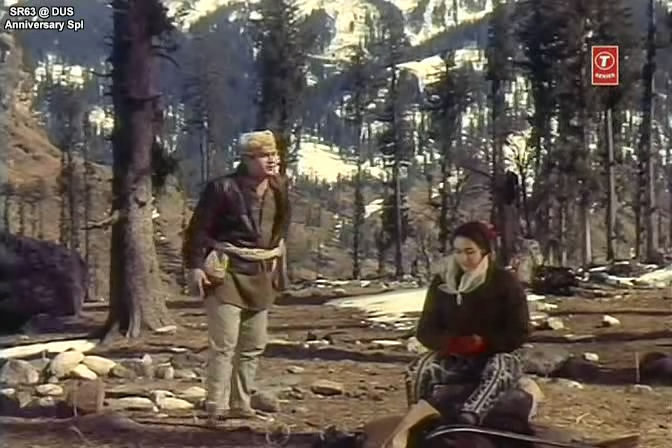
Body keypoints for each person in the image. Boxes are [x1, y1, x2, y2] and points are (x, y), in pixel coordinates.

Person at [381, 221, 530, 448]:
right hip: (457, 355)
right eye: (458, 252)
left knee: (500, 366)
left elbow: (519, 331)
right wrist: (450, 342)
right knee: (420, 367)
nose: (463, 258)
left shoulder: (505, 283)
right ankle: (421, 417)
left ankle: (470, 416)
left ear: (484, 251)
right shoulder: (443, 282)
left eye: (470, 252)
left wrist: (485, 343)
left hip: (497, 352)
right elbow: (425, 329)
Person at [182, 130, 291, 424]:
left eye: (274, 154)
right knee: (224, 344)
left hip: (261, 272)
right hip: (226, 271)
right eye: (265, 155)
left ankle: (241, 403)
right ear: (248, 159)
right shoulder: (222, 188)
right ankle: (215, 405)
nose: (273, 160)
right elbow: (198, 230)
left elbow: (281, 227)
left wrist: (277, 261)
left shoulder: (279, 187)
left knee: (254, 344)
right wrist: (195, 265)